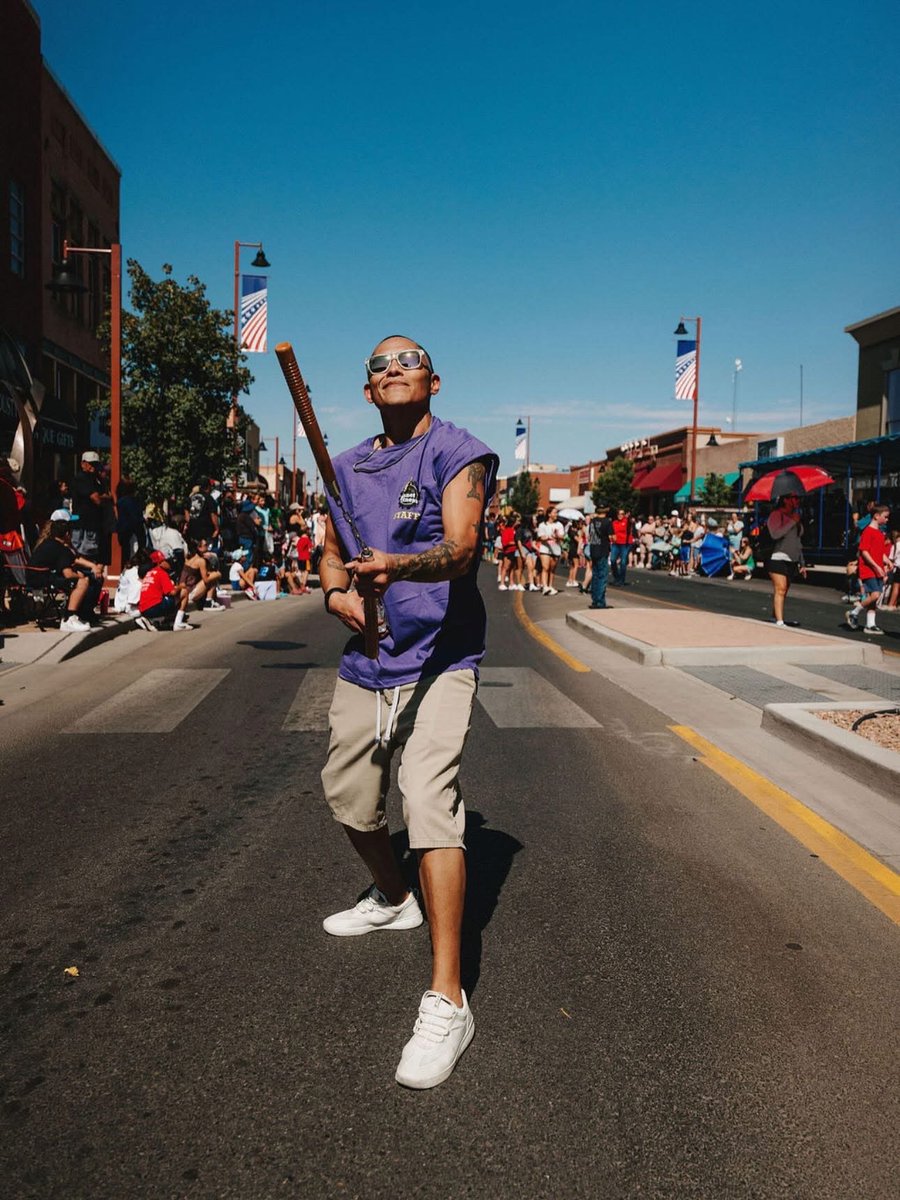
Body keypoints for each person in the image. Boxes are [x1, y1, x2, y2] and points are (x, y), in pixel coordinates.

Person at [318, 334, 497, 1091]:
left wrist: (396, 565)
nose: (394, 368)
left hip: (441, 656)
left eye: (410, 359)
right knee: (350, 799)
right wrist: (337, 594)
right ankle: (396, 897)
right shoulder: (346, 466)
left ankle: (448, 999)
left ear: (435, 380)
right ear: (368, 392)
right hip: (369, 657)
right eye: (380, 364)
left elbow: (462, 550)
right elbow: (329, 550)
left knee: (427, 802)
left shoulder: (460, 453)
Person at [26, 510, 104, 631]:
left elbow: (73, 559)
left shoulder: (51, 543)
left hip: (36, 577)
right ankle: (69, 618)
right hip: (41, 580)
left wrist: (89, 568)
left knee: (82, 577)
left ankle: (82, 613)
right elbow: (67, 574)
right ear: (67, 532)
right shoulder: (60, 548)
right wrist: (81, 577)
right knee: (82, 582)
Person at [845, 505, 890, 635]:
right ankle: (854, 612)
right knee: (875, 594)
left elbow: (879, 552)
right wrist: (876, 566)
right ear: (877, 516)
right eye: (885, 517)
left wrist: (886, 560)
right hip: (868, 569)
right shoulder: (868, 531)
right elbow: (864, 551)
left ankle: (870, 624)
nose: (887, 520)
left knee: (874, 599)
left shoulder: (880, 533)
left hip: (878, 569)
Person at [766, 491, 807, 626]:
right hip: (778, 557)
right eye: (794, 497)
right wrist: (791, 522)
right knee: (781, 588)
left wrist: (802, 563)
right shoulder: (776, 515)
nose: (797, 500)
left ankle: (774, 616)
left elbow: (798, 542)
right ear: (786, 500)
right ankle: (780, 621)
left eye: (798, 497)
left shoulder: (795, 516)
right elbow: (774, 534)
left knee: (783, 590)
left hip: (793, 559)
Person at [136, 549, 194, 631]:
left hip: (144, 609)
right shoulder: (161, 573)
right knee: (184, 592)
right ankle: (178, 623)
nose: (169, 562)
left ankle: (159, 620)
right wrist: (180, 586)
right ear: (159, 563)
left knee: (169, 598)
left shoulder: (149, 573)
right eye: (166, 561)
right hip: (153, 607)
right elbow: (172, 592)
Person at [71, 451, 110, 560]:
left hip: (93, 524)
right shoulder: (81, 478)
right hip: (82, 524)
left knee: (91, 553)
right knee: (81, 554)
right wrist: (105, 498)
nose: (93, 467)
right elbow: (96, 499)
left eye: (96, 464)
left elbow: (104, 495)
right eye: (90, 463)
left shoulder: (97, 480)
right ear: (83, 463)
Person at [586, 501, 612, 609]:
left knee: (595, 575)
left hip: (593, 549)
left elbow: (589, 535)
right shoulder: (607, 522)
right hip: (602, 549)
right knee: (602, 576)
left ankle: (595, 599)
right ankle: (600, 602)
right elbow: (612, 537)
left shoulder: (592, 521)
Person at [609, 507, 632, 586]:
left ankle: (621, 580)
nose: (620, 515)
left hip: (624, 544)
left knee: (623, 562)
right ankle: (617, 577)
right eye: (619, 514)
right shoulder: (614, 522)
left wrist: (628, 517)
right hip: (615, 543)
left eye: (622, 514)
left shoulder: (627, 521)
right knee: (612, 560)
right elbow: (611, 532)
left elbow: (630, 522)